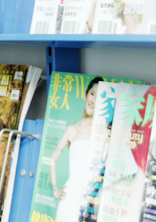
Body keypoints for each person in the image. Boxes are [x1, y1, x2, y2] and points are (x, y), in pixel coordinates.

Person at [49, 77, 102, 222]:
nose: (93, 100)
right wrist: (56, 191)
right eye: (92, 93)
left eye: (98, 97)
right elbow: (52, 160)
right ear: (85, 95)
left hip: (87, 200)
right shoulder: (71, 130)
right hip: (69, 198)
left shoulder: (99, 132)